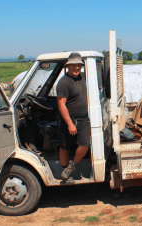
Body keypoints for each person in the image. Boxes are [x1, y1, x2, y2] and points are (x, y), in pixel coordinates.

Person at [57, 52, 91, 185]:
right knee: (64, 146)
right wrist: (70, 124)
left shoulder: (82, 77)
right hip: (69, 120)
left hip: (83, 119)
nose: (77, 68)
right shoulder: (64, 82)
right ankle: (65, 174)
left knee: (84, 144)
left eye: (79, 65)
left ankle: (72, 166)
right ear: (68, 66)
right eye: (74, 65)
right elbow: (61, 105)